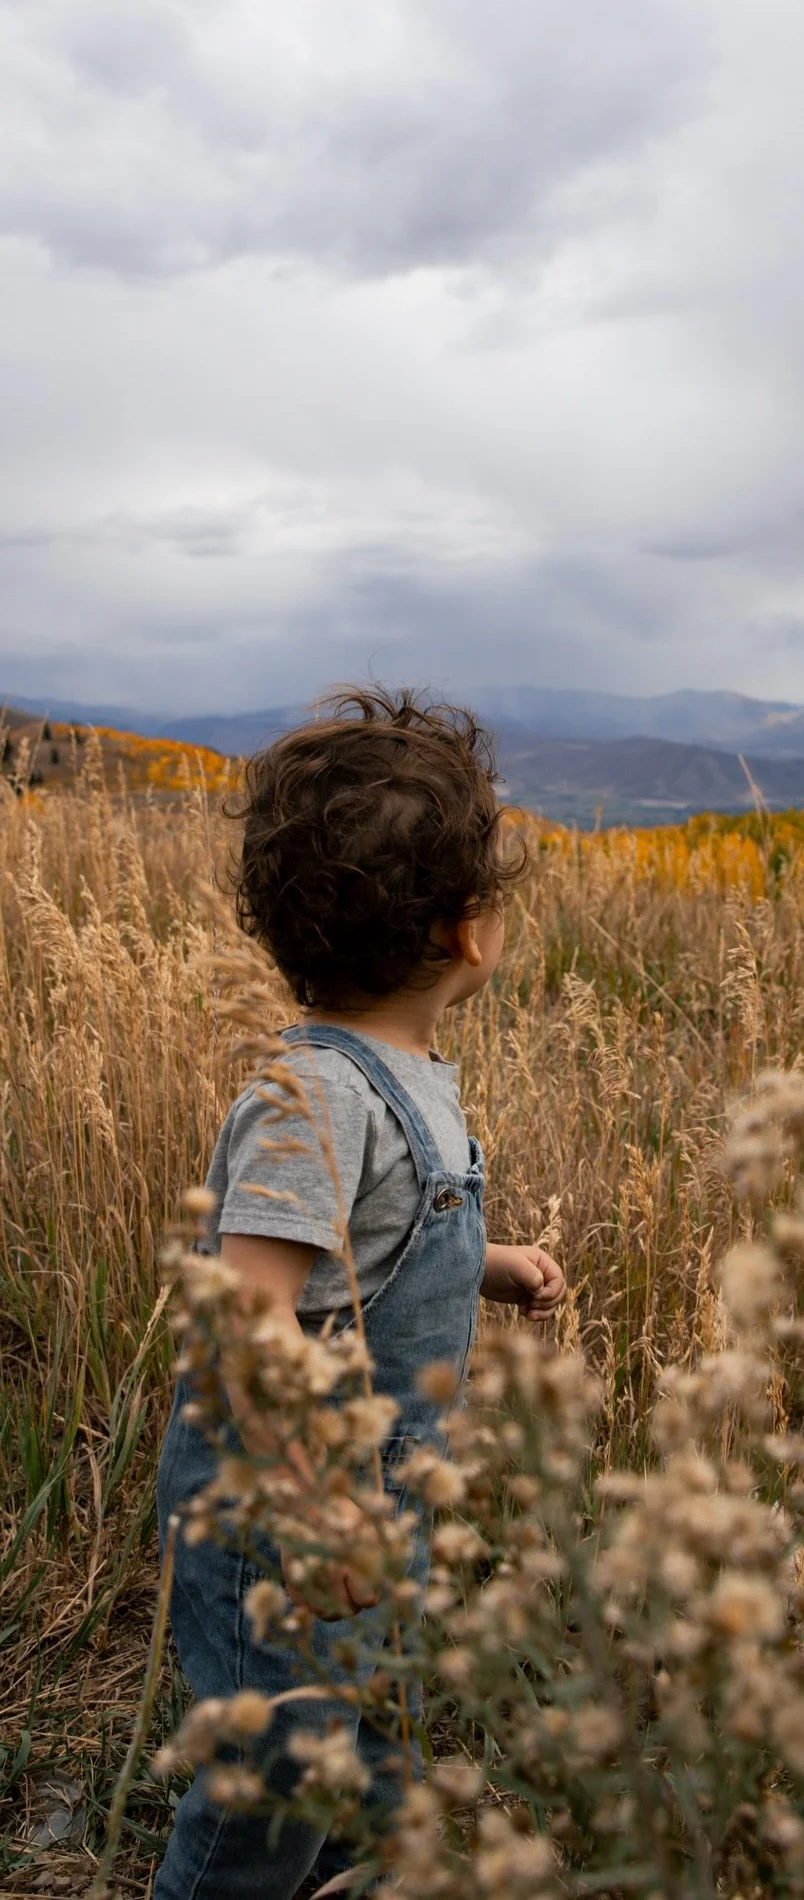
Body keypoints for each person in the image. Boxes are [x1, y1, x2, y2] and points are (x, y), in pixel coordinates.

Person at [154, 687, 566, 1899]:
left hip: (371, 1506)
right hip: (288, 1516)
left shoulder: (404, 1072)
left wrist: (483, 1265)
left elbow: (364, 1252)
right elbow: (249, 1310)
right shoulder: (319, 1095)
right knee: (273, 1782)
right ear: (467, 933)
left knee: (363, 1741)